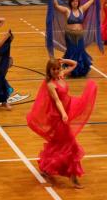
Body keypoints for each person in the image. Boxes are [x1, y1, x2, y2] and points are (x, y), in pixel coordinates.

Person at [27, 58, 97, 189]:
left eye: (58, 68)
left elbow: (75, 64)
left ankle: (46, 167)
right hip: (58, 117)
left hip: (67, 111)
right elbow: (57, 101)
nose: (56, 71)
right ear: (49, 70)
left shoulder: (61, 75)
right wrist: (63, 113)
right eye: (53, 69)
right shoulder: (50, 84)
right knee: (71, 145)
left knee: (58, 144)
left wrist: (63, 60)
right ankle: (73, 177)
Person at [46, 0, 102, 77]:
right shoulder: (67, 11)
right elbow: (56, 6)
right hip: (69, 35)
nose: (75, 3)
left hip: (80, 35)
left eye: (76, 1)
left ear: (78, 2)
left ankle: (80, 70)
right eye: (73, 1)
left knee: (80, 51)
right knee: (72, 51)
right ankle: (72, 70)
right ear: (70, 3)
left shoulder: (82, 9)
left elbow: (91, 1)